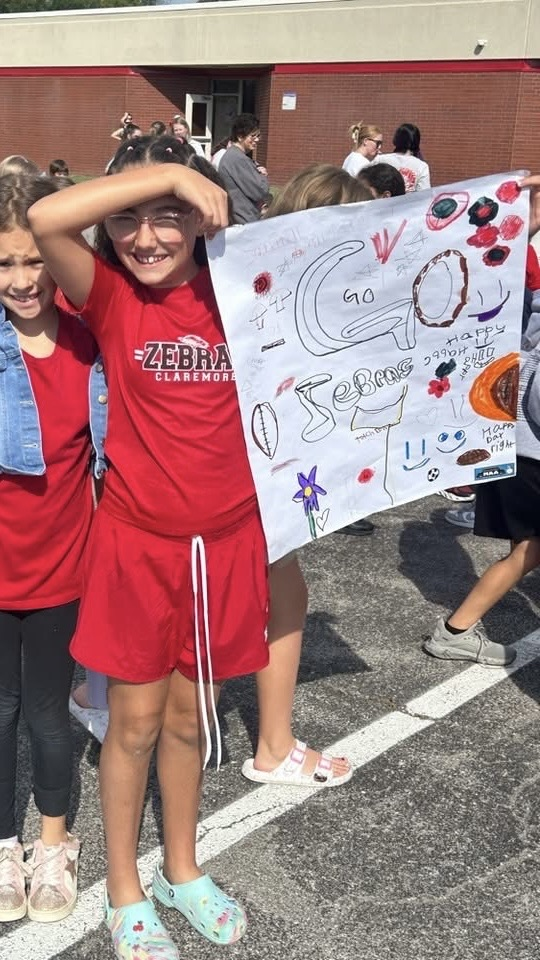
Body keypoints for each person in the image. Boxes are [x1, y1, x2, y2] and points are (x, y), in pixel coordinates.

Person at [28, 135, 267, 960]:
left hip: (225, 548)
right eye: (127, 219)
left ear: (205, 222)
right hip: (137, 549)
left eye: (170, 217)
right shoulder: (111, 299)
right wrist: (168, 174)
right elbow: (45, 215)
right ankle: (125, 886)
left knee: (189, 721)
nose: (149, 236)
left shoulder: (242, 295)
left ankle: (183, 868)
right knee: (129, 724)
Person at [240, 164, 373, 787]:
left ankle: (104, 695)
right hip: (250, 471)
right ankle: (271, 743)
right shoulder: (255, 281)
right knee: (253, 595)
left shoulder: (262, 275)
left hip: (271, 468)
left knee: (276, 591)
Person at [0, 173, 106, 924]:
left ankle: (52, 844)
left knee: (45, 710)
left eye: (34, 260)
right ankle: (3, 844)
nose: (22, 280)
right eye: (4, 264)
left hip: (62, 565)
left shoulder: (89, 332)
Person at [424, 238, 540, 666]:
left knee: (523, 550)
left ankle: (465, 621)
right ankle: (455, 630)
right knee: (527, 552)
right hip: (530, 457)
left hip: (513, 449)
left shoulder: (527, 326)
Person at [218, 113, 270, 223]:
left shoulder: (235, 156)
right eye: (253, 136)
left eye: (258, 136)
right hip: (244, 220)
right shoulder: (238, 159)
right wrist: (263, 175)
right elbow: (259, 191)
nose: (257, 140)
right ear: (240, 136)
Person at [377, 123, 430, 193]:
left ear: (396, 139)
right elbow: (424, 195)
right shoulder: (421, 166)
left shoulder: (380, 160)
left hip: (382, 202)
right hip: (408, 203)